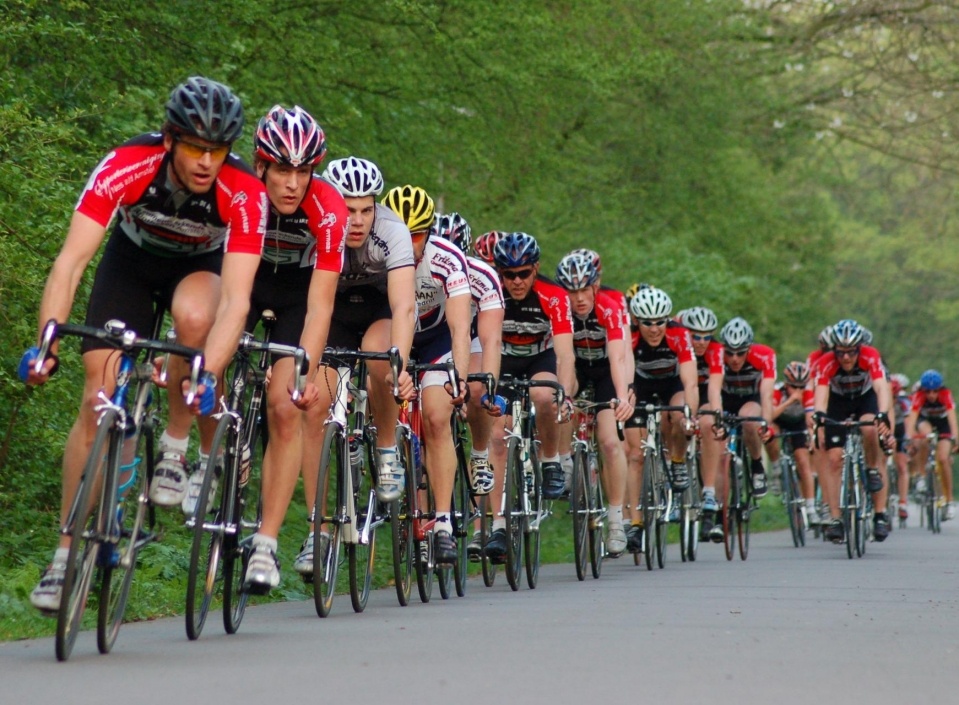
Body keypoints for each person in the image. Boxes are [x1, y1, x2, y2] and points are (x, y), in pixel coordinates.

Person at [21, 77, 267, 612]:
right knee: (97, 397)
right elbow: (70, 263)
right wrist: (47, 342)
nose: (206, 162)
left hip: (199, 272)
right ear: (169, 138)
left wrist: (208, 371)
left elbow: (238, 303)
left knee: (196, 315)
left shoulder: (244, 190)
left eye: (218, 150)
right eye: (195, 147)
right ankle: (64, 557)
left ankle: (175, 449)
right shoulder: (128, 163)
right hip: (130, 266)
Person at [230, 105, 349, 592]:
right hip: (245, 282)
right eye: (283, 169)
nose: (293, 182)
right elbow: (226, 288)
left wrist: (304, 372)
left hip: (299, 299)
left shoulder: (329, 209)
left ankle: (266, 544)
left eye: (304, 171)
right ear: (260, 166)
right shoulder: (239, 190)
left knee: (284, 407)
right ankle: (215, 446)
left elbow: (321, 309)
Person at [292, 156, 417, 580]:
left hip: (380, 313)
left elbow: (404, 304)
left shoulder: (393, 231)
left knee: (380, 359)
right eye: (348, 209)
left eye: (366, 209)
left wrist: (399, 361)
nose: (357, 220)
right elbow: (312, 307)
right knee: (314, 406)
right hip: (334, 315)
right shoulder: (318, 227)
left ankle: (385, 448)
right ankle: (317, 527)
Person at [383, 188, 472, 564]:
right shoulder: (379, 252)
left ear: (429, 232)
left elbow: (459, 327)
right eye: (402, 231)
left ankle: (442, 523)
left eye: (416, 233)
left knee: (437, 416)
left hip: (435, 341)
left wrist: (461, 378)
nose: (409, 241)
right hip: (392, 334)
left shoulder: (446, 259)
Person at [484, 232, 575, 562]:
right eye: (509, 274)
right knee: (497, 435)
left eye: (524, 273)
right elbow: (487, 344)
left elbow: (565, 354)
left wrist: (562, 394)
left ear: (535, 270)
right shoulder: (492, 292)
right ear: (499, 273)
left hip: (541, 360)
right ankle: (497, 525)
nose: (517, 281)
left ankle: (550, 461)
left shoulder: (553, 295)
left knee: (544, 394)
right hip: (504, 362)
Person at [555, 251, 633, 555]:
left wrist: (623, 397)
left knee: (610, 441)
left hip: (604, 372)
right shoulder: (560, 310)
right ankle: (565, 464)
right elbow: (564, 359)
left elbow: (619, 357)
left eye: (584, 290)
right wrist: (565, 395)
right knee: (562, 401)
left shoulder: (610, 309)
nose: (579, 298)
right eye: (572, 292)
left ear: (594, 287)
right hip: (576, 368)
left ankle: (615, 518)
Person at [433, 213, 505, 498]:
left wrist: (489, 389)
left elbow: (490, 341)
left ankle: (478, 454)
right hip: (430, 336)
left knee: (476, 389)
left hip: (470, 337)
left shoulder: (481, 276)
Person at [624, 287, 698, 551]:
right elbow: (624, 378)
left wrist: (690, 415)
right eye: (647, 323)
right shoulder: (629, 337)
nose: (654, 329)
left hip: (672, 386)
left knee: (679, 414)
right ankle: (635, 523)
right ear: (636, 321)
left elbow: (690, 383)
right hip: (640, 388)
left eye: (660, 322)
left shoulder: (679, 334)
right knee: (635, 455)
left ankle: (677, 460)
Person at [813, 319, 893, 542]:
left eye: (851, 352)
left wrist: (883, 413)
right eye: (840, 352)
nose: (846, 357)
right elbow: (821, 395)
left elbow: (880, 388)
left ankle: (878, 509)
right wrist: (819, 414)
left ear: (859, 349)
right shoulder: (825, 363)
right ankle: (836, 519)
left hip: (865, 398)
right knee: (834, 459)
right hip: (838, 401)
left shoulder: (871, 356)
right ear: (834, 350)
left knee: (869, 428)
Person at [679, 306, 725, 541]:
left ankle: (708, 492)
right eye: (696, 336)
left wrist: (716, 416)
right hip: (679, 391)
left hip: (705, 395)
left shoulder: (715, 350)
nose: (702, 341)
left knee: (709, 424)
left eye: (707, 336)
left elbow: (714, 389)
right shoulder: (676, 340)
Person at [719, 317, 775, 502]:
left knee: (748, 419)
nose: (734, 359)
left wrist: (765, 425)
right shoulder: (717, 356)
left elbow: (767, 394)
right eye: (730, 353)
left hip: (752, 398)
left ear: (749, 349)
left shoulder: (764, 355)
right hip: (726, 399)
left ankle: (757, 465)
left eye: (741, 353)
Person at [769, 362, 820, 524]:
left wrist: (812, 437)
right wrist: (790, 400)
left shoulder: (808, 394)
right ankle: (776, 466)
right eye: (793, 386)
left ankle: (811, 507)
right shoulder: (778, 391)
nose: (798, 391)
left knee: (803, 461)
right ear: (786, 384)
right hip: (779, 420)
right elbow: (770, 415)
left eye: (801, 387)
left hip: (798, 423)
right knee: (770, 431)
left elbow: (810, 418)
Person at [905, 369, 957, 521]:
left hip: (943, 423)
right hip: (925, 421)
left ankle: (948, 501)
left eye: (935, 391)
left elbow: (952, 419)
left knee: (943, 459)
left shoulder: (946, 394)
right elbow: (912, 419)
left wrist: (956, 438)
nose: (932, 395)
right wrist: (909, 437)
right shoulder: (919, 396)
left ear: (940, 389)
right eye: (928, 391)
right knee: (924, 436)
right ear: (923, 390)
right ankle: (921, 475)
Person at [889, 372, 912, 521]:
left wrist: (908, 439)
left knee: (902, 465)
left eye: (894, 396)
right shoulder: (879, 401)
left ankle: (902, 503)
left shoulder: (903, 402)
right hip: (885, 429)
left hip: (899, 430)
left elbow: (910, 421)